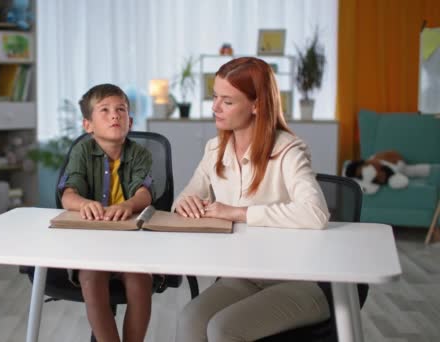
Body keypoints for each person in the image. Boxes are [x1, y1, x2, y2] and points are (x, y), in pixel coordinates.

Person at [173, 57, 331, 342]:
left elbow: (315, 213)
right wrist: (184, 202)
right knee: (190, 319)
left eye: (227, 101)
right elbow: (189, 193)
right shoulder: (215, 149)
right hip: (244, 276)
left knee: (223, 329)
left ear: (257, 105)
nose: (215, 107)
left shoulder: (288, 151)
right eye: (214, 97)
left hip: (297, 282)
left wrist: (238, 212)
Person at [58, 83, 154, 342]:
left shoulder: (140, 154)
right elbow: (68, 196)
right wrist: (84, 204)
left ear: (130, 121)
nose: (115, 115)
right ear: (87, 125)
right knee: (91, 279)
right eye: (105, 110)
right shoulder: (81, 152)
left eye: (121, 109)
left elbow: (144, 194)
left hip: (131, 243)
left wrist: (127, 205)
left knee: (140, 282)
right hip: (91, 244)